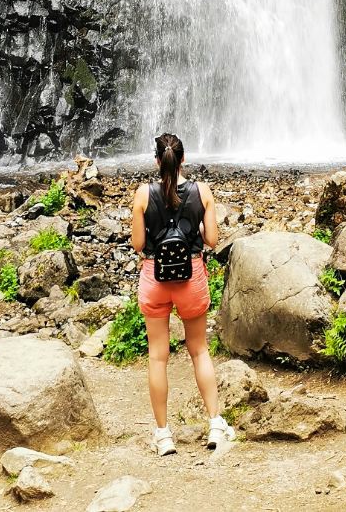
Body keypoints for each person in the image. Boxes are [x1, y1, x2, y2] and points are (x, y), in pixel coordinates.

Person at [131, 131, 235, 456]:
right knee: (200, 351)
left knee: (157, 357)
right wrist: (197, 228)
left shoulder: (143, 195)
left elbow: (137, 244)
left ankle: (163, 436)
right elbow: (213, 240)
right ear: (183, 159)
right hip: (191, 278)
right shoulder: (202, 192)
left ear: (157, 161)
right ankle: (216, 424)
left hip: (154, 278)